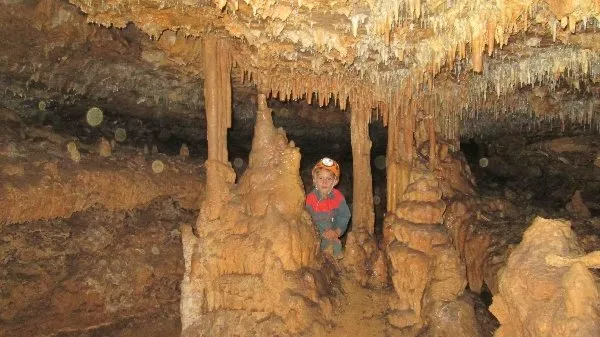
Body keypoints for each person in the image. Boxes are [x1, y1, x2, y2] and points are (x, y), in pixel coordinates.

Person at [305, 157, 351, 259]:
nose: (324, 182)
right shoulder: (310, 199)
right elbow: (306, 219)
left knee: (336, 247)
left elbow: (344, 215)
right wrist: (319, 233)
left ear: (335, 181)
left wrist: (337, 231)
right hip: (315, 234)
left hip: (331, 232)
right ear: (315, 180)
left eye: (329, 179)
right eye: (321, 178)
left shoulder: (338, 197)